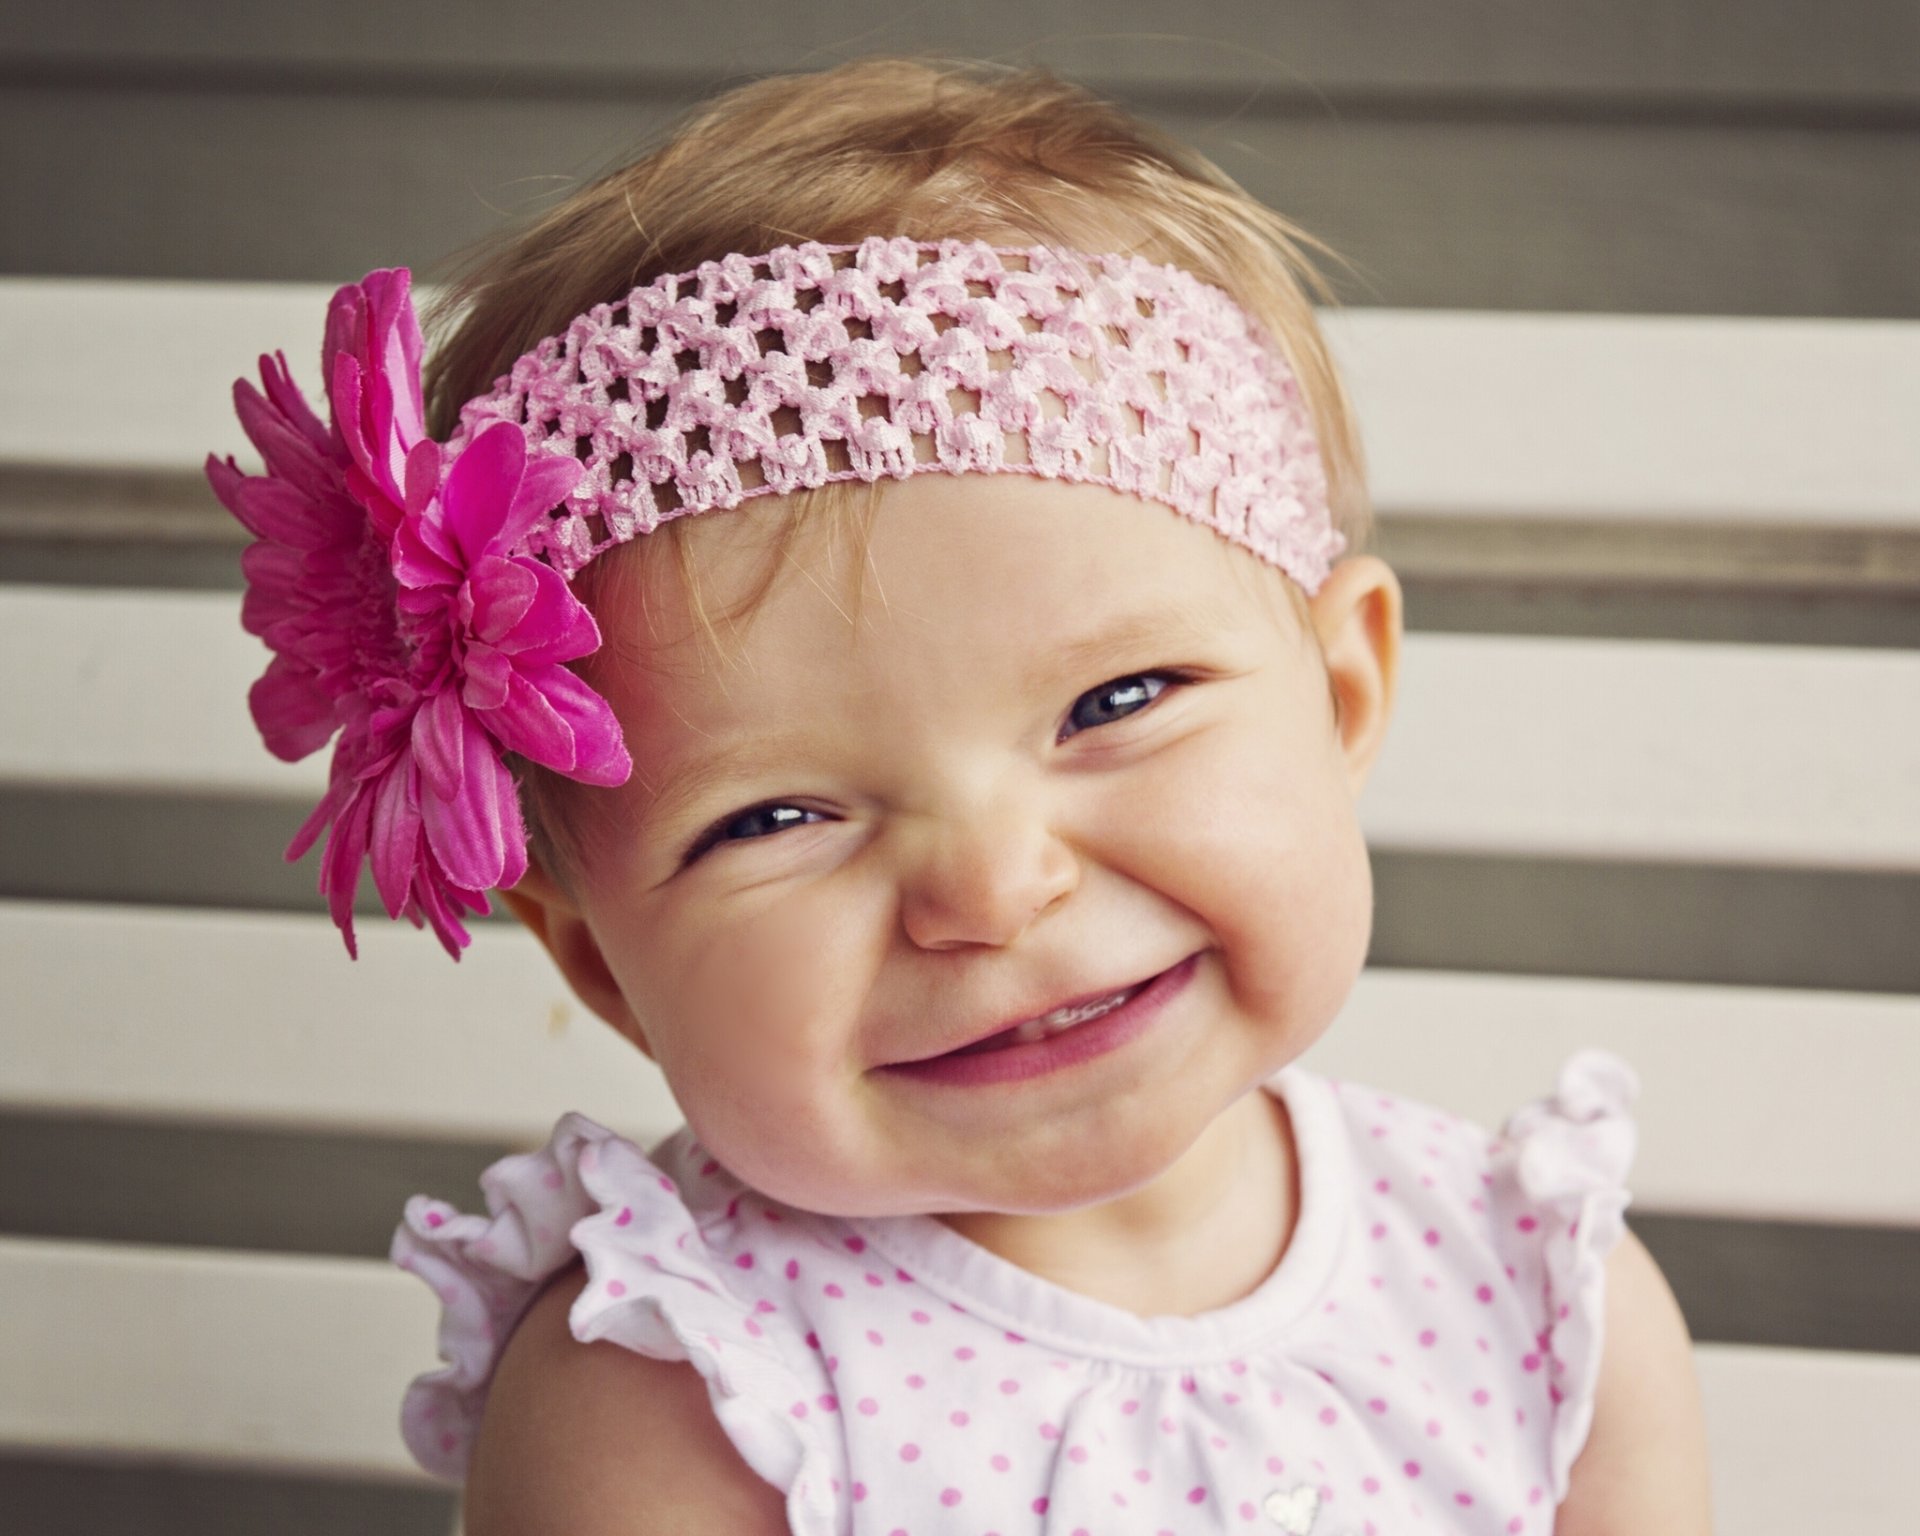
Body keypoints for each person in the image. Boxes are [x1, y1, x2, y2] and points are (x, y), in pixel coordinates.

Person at [208, 56, 1712, 1536]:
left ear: (1343, 696)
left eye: (1115, 704)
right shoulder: (683, 1396)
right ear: (597, 956)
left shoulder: (1530, 1296)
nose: (991, 888)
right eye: (775, 817)